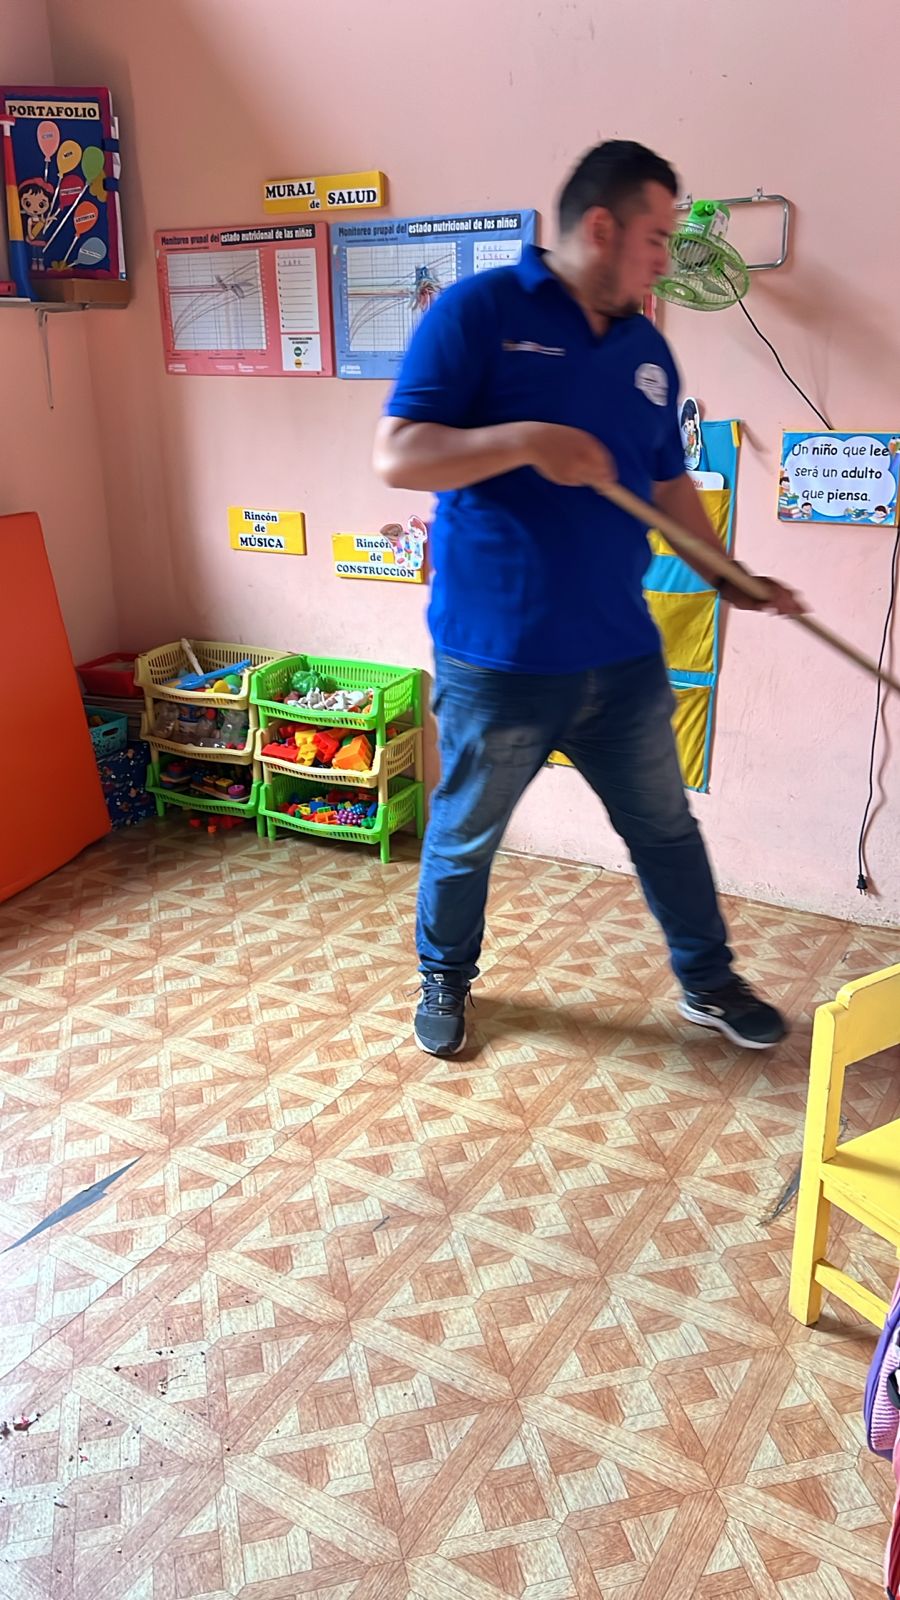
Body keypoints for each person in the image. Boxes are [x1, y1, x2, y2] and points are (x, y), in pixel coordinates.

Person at [373, 139, 804, 1058]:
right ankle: (445, 975)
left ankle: (709, 982)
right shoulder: (479, 311)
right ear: (601, 228)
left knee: (665, 829)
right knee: (466, 837)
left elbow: (667, 481)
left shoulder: (647, 347)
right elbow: (398, 455)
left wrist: (726, 574)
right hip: (498, 658)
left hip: (620, 651)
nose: (664, 261)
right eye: (656, 238)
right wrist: (528, 439)